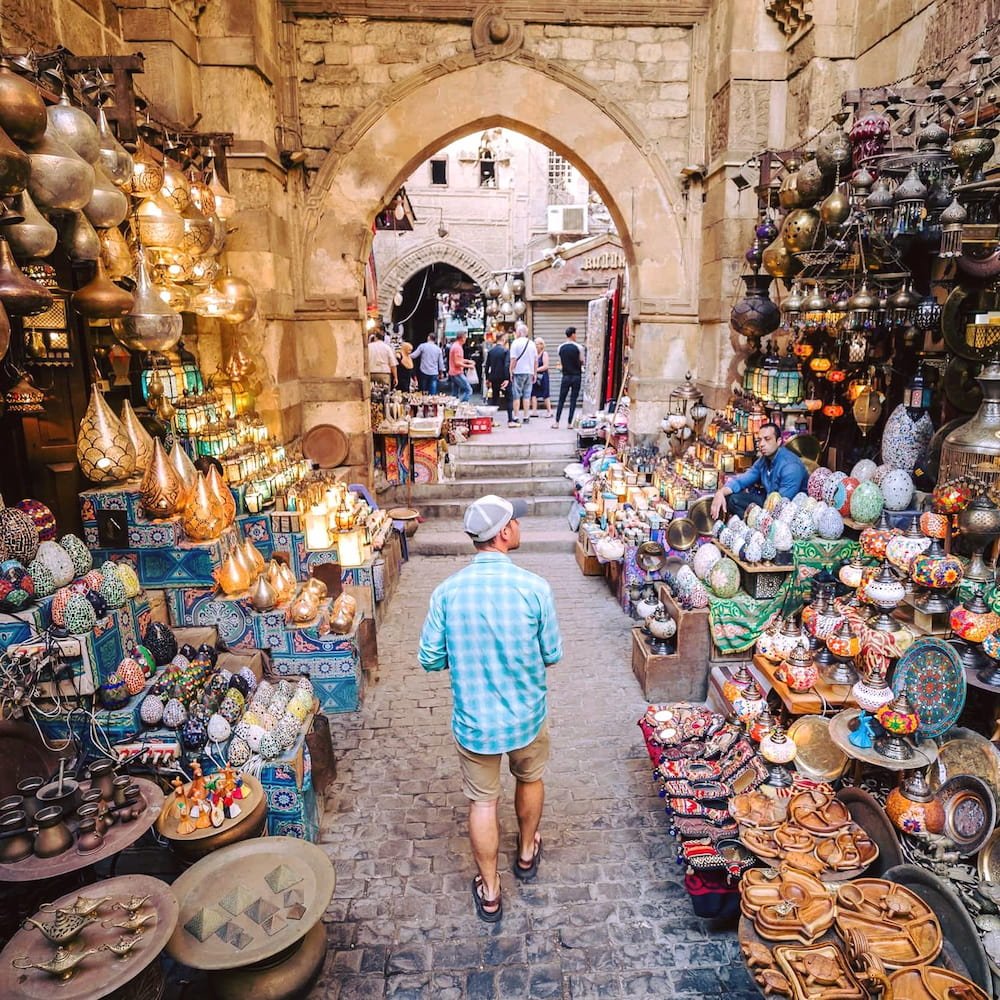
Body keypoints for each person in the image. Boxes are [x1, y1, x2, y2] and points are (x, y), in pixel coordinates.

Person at [418, 494, 562, 923]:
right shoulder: (535, 588)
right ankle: (525, 852)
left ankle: (492, 890)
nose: (519, 526)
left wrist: (460, 653)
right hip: (527, 717)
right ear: (503, 532)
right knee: (530, 777)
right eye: (515, 521)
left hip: (475, 723)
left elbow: (429, 657)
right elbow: (551, 653)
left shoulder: (447, 593)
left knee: (482, 803)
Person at [710, 422, 809, 519]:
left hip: (789, 512)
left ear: (779, 441)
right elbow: (741, 481)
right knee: (731, 499)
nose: (761, 444)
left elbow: (782, 505)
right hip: (767, 503)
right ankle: (750, 526)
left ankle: (754, 527)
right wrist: (720, 492)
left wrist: (759, 518)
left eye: (767, 439)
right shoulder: (764, 460)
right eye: (759, 440)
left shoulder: (790, 466)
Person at [553, 326, 583, 429]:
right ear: (573, 335)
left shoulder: (560, 347)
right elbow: (582, 360)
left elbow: (561, 362)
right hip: (576, 376)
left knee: (561, 399)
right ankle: (569, 423)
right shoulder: (579, 347)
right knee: (573, 400)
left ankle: (557, 422)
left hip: (565, 376)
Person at [508, 322, 537, 424]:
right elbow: (535, 360)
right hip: (529, 372)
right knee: (527, 395)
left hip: (518, 372)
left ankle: (516, 416)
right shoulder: (532, 343)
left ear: (519, 332)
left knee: (516, 395)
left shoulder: (515, 343)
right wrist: (535, 373)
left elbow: (513, 359)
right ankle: (526, 416)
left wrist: (510, 371)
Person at [485, 333, 515, 426]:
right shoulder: (505, 351)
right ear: (503, 339)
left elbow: (487, 366)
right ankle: (510, 420)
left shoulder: (491, 351)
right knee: (509, 398)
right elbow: (506, 365)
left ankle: (492, 420)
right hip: (503, 377)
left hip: (494, 378)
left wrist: (487, 378)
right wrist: (507, 378)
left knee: (494, 398)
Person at [448, 330, 476, 402]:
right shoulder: (457, 347)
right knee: (469, 390)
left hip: (453, 372)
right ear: (462, 338)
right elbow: (457, 362)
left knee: (455, 393)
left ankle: (453, 407)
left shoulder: (455, 346)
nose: (466, 339)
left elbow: (458, 359)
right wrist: (469, 366)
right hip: (457, 373)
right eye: (465, 337)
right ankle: (461, 405)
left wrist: (468, 361)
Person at [530, 338, 552, 420]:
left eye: (537, 344)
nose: (535, 346)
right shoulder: (534, 354)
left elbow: (546, 366)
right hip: (535, 376)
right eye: (535, 344)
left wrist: (535, 370)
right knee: (533, 393)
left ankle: (549, 411)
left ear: (541, 345)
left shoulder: (544, 354)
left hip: (543, 376)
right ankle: (534, 411)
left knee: (545, 393)